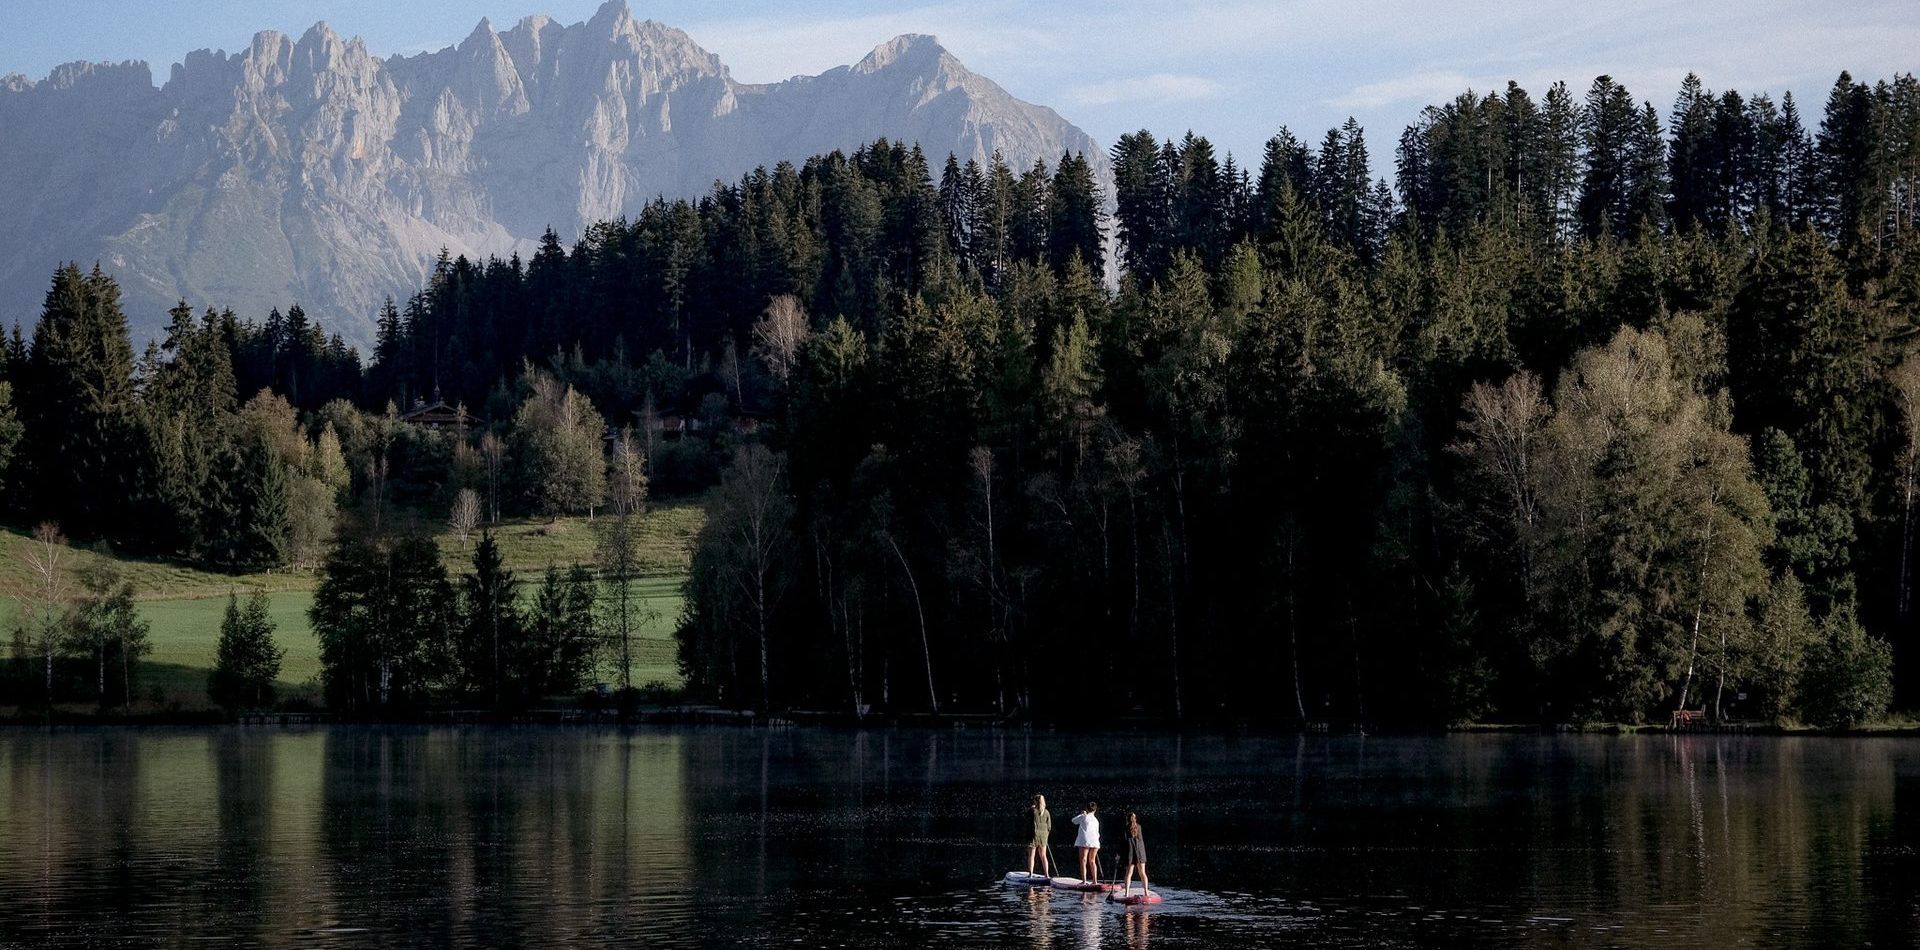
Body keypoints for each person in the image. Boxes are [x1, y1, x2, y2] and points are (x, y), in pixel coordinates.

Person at [1120, 811, 1153, 898]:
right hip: (1140, 852)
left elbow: (1123, 842)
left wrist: (1119, 854)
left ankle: (1126, 893)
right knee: (1142, 873)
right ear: (1135, 819)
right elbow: (1140, 841)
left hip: (1130, 852)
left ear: (1127, 819)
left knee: (1128, 873)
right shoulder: (1139, 827)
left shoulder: (1125, 828)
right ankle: (1146, 892)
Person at [1071, 801, 1101, 883]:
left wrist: (1082, 814)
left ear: (1086, 809)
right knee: (1092, 861)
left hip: (1085, 841)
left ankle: (1084, 881)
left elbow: (1073, 821)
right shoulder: (1096, 820)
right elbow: (1097, 832)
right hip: (1095, 842)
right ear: (1095, 810)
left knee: (1083, 860)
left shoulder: (1084, 816)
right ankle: (1095, 881)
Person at [1026, 795, 1054, 878]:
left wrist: (1031, 808)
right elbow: (1049, 826)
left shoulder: (1032, 811)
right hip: (1043, 837)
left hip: (1033, 836)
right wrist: (1046, 836)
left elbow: (1026, 817)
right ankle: (1047, 874)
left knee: (1031, 856)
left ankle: (1030, 874)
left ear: (1035, 801)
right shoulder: (1046, 812)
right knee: (1044, 856)